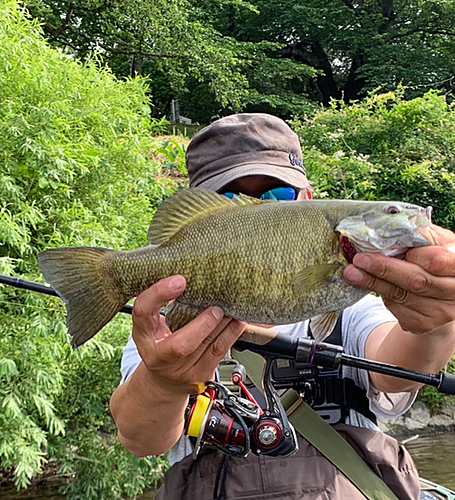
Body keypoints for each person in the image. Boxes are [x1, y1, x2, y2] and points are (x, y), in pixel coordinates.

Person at [110, 113, 455, 500]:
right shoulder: (170, 331)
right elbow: (139, 438)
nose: (259, 208)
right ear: (200, 210)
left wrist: (439, 320)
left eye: (277, 195)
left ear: (308, 198)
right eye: (230, 200)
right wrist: (163, 381)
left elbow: (399, 372)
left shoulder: (353, 308)